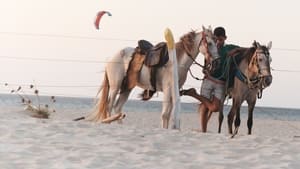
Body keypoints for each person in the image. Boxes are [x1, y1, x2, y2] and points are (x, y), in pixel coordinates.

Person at [180, 26, 242, 132]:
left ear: (225, 38)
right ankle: (204, 131)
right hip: (208, 79)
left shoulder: (228, 48)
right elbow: (204, 58)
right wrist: (205, 66)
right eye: (216, 39)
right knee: (204, 107)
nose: (218, 42)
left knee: (215, 108)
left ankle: (193, 94)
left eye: (220, 39)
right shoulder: (210, 46)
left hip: (221, 83)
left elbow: (243, 50)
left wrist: (236, 50)